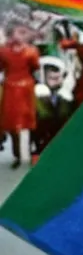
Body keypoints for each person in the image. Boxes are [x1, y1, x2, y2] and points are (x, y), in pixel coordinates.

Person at [0, 18, 39, 169]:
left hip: (25, 89)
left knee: (27, 121)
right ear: (11, 34)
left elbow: (35, 66)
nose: (22, 35)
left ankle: (28, 152)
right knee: (11, 123)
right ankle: (17, 153)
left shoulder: (31, 51)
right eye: (20, 32)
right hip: (10, 88)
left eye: (24, 32)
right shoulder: (3, 51)